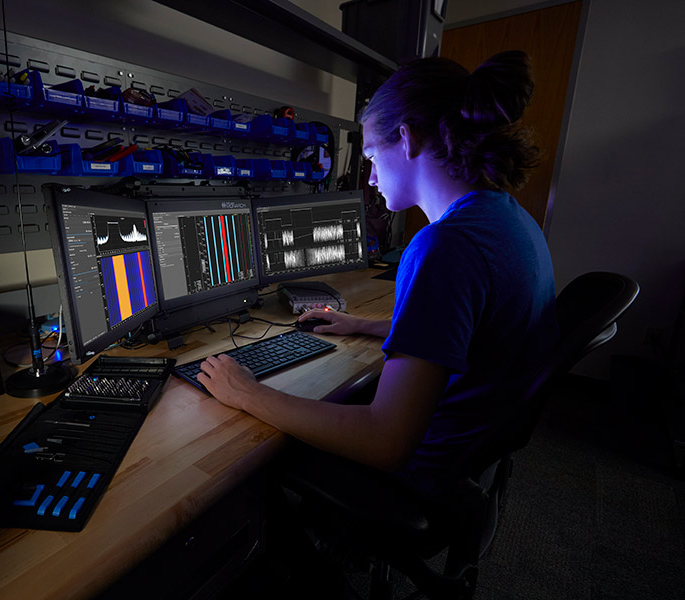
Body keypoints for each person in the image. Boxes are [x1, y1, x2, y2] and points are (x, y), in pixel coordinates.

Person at [197, 50, 558, 496]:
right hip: (472, 449)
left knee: (254, 456)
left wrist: (247, 392)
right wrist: (367, 326)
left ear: (407, 139)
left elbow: (384, 441)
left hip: (422, 467)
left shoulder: (444, 246)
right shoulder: (507, 218)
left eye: (370, 155)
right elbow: (477, 330)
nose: (368, 176)